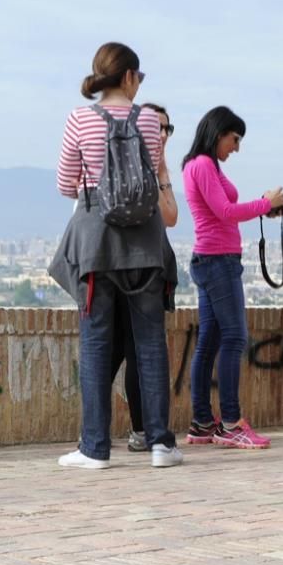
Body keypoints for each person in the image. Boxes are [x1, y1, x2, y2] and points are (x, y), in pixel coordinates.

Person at [51, 41, 182, 469]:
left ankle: (94, 447)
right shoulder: (149, 119)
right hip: (144, 244)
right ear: (129, 77)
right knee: (150, 344)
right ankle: (162, 444)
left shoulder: (79, 118)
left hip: (97, 245)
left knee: (95, 345)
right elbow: (152, 172)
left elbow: (67, 185)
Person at [182, 106, 283, 449]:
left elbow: (223, 213)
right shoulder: (201, 165)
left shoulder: (205, 165)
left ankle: (201, 422)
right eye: (234, 138)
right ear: (218, 132)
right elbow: (224, 211)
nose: (236, 147)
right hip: (217, 262)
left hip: (213, 260)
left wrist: (263, 207)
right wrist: (263, 203)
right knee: (235, 338)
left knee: (210, 341)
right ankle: (230, 422)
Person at [119, 102, 177, 452]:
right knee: (123, 350)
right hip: (126, 268)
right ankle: (140, 430)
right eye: (155, 127)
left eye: (166, 129)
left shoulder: (158, 166)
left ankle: (143, 429)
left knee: (135, 351)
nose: (161, 134)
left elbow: (171, 216)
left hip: (152, 267)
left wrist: (161, 166)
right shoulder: (129, 163)